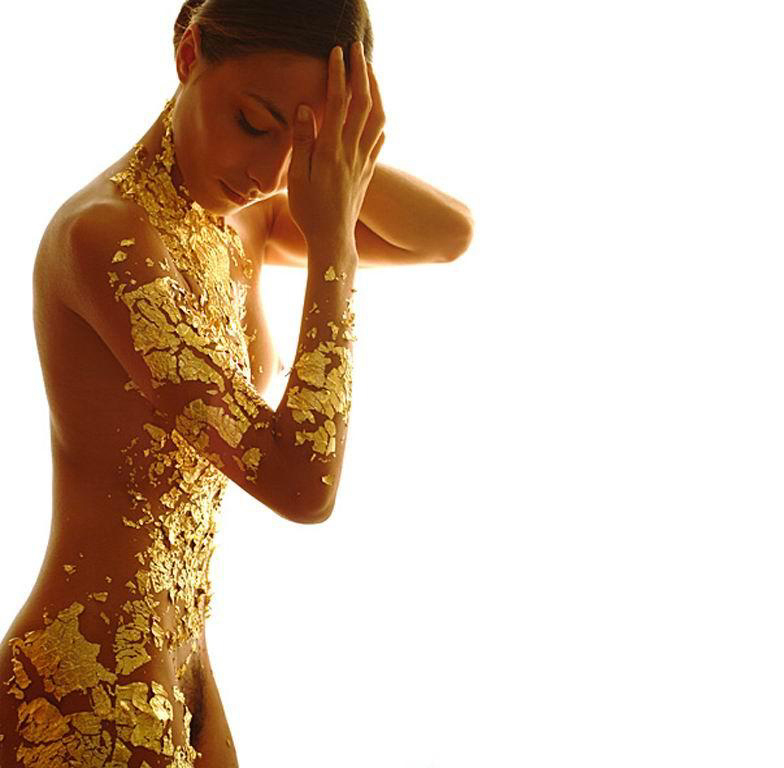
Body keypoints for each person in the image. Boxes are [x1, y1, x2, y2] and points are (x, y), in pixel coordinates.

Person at [0, 1, 473, 766]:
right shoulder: (108, 236)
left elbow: (449, 236)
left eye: (301, 144)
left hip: (188, 668)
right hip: (83, 691)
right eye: (254, 123)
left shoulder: (239, 215)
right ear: (189, 56)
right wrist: (331, 245)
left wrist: (336, 156)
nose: (268, 174)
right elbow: (302, 484)